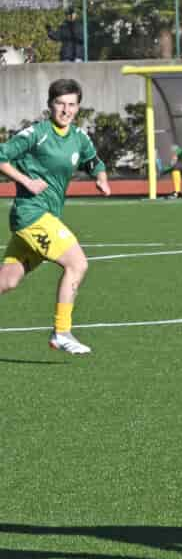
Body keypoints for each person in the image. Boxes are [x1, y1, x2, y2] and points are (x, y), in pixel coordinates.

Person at [0, 78, 111, 354]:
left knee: (8, 280)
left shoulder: (79, 137)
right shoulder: (37, 133)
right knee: (77, 263)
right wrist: (26, 181)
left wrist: (101, 178)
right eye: (60, 103)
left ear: (78, 108)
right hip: (30, 214)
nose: (66, 110)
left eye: (72, 104)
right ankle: (62, 332)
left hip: (48, 216)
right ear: (50, 105)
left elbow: (94, 161)